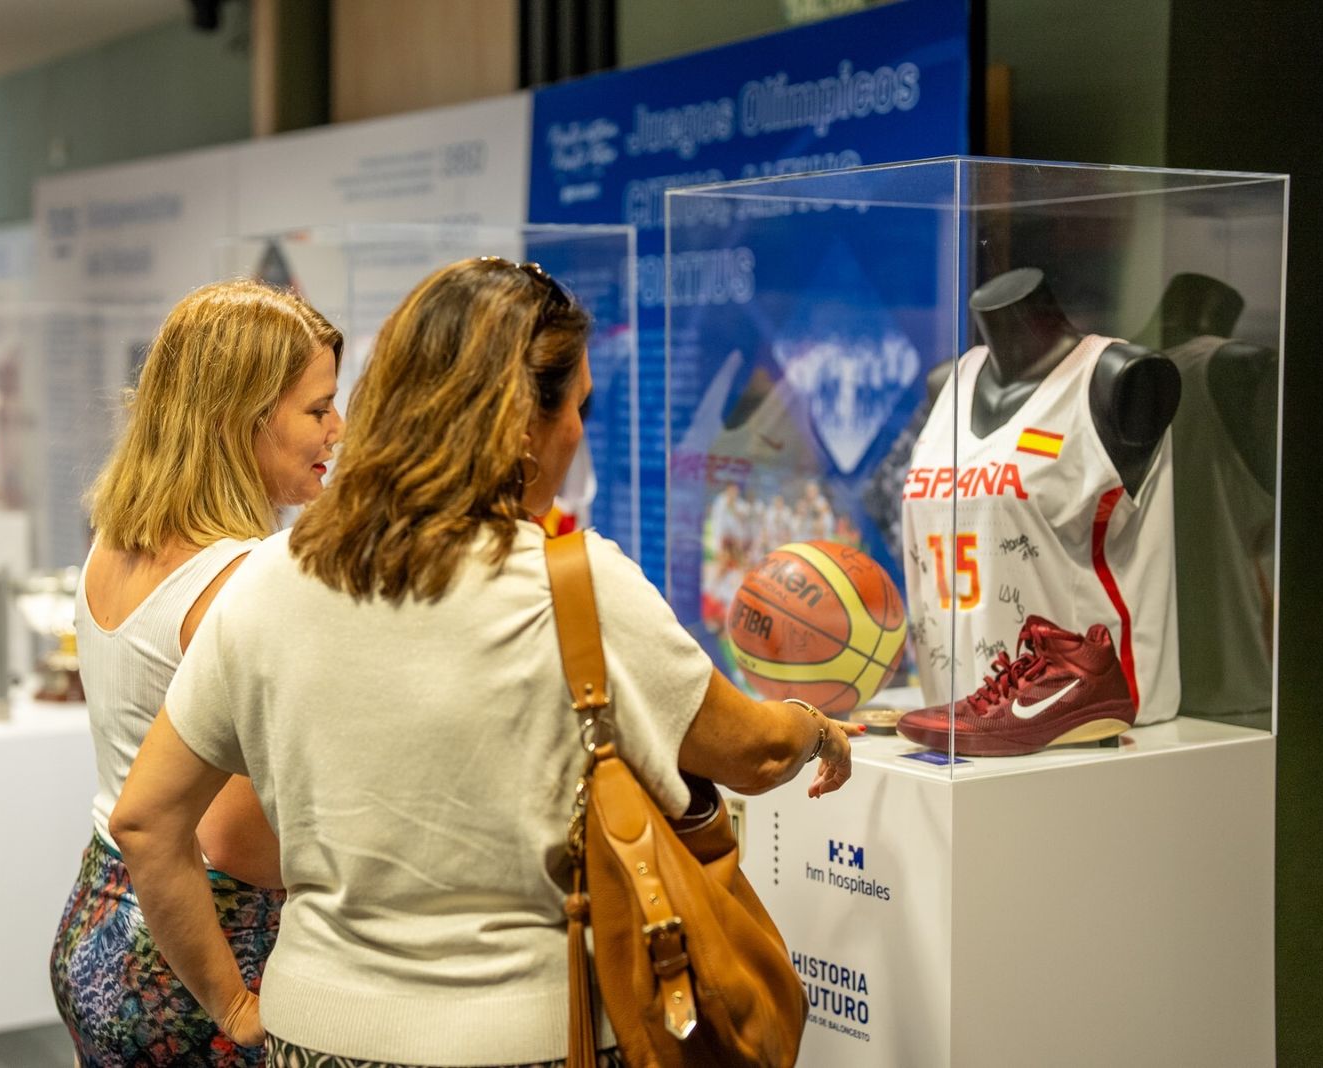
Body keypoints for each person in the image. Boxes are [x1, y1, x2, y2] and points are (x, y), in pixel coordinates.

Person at [111, 258, 858, 1067]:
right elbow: (754, 751)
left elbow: (146, 822)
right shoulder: (576, 585)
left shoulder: (268, 580)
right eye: (577, 406)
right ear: (524, 427)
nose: (578, 432)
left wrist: (231, 1003)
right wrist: (816, 728)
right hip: (534, 1038)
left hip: (316, 1035)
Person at [48, 279, 344, 1067]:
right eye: (318, 410)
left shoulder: (113, 541)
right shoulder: (250, 578)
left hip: (102, 916)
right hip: (208, 957)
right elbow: (239, 841)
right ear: (244, 419)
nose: (338, 432)